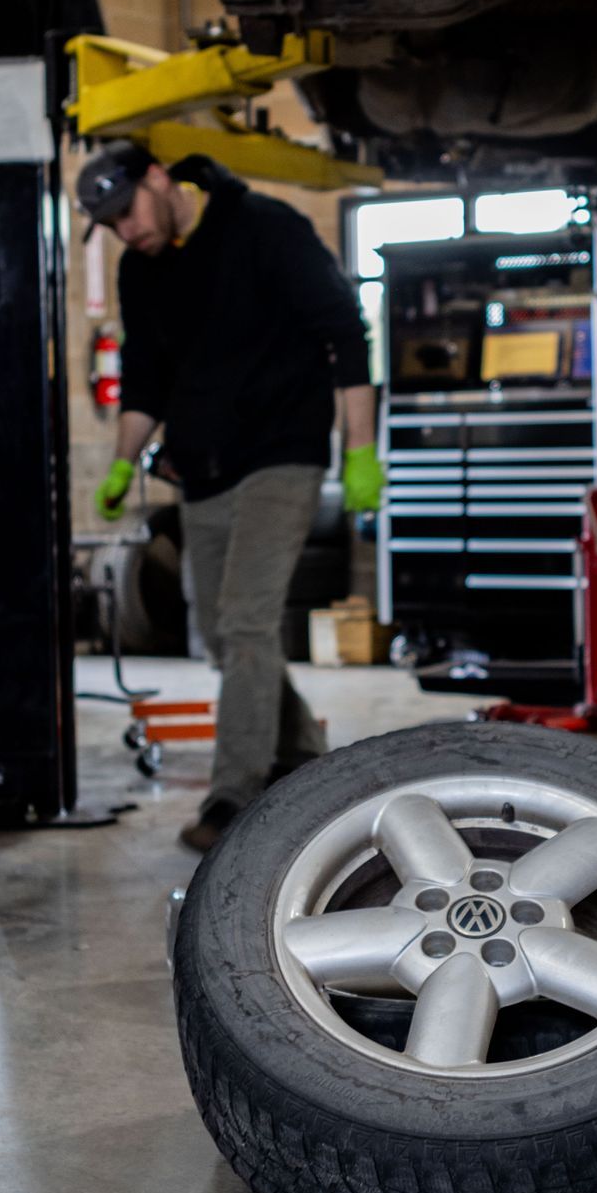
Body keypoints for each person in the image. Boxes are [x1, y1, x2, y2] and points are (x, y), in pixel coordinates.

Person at [78, 146, 380, 853]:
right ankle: (303, 753)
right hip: (202, 471)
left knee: (246, 624)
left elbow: (346, 333)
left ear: (158, 179)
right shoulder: (140, 269)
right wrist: (121, 463)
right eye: (110, 224)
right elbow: (146, 377)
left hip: (283, 455)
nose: (126, 231)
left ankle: (234, 796)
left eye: (127, 211)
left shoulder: (266, 228)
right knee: (219, 636)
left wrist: (361, 448)